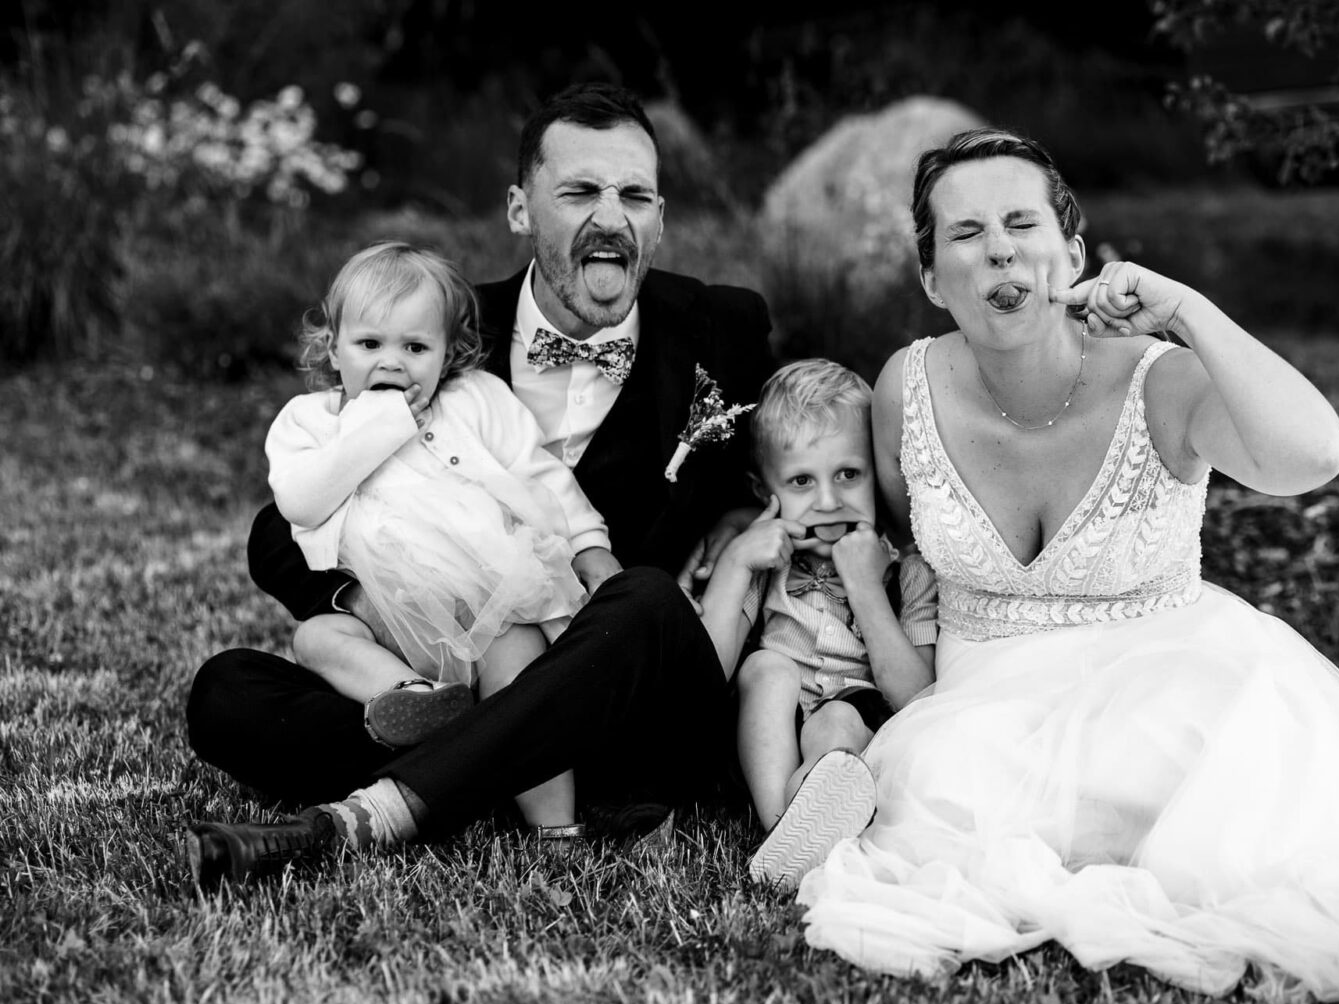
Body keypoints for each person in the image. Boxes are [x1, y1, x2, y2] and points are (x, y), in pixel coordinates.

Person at [794, 128, 1339, 1004]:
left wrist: (1186, 311)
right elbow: (898, 524)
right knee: (949, 786)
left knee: (1222, 796)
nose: (1000, 249)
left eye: (1023, 223)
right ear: (931, 278)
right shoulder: (908, 386)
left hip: (1173, 679)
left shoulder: (1161, 383)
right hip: (985, 707)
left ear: (1074, 249)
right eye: (967, 233)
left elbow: (1314, 455)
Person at [184, 83, 775, 887]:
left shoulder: (723, 329)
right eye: (579, 192)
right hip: (460, 664)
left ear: (661, 219)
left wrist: (739, 514)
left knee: (638, 596)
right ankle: (493, 765)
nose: (612, 217)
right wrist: (369, 604)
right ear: (519, 211)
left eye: (634, 194)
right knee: (227, 690)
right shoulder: (437, 330)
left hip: (628, 681)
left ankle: (376, 814)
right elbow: (277, 529)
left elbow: (777, 475)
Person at [269, 240, 613, 832]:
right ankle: (416, 699)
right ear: (333, 345)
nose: (392, 362)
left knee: (522, 680)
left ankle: (555, 828)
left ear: (448, 352)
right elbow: (300, 499)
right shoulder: (310, 421)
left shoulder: (476, 398)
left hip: (492, 603)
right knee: (318, 637)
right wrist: (380, 422)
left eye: (415, 347)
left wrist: (589, 545)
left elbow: (544, 477)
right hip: (388, 618)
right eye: (369, 344)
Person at [696, 359, 937, 888]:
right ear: (765, 492)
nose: (829, 501)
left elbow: (918, 696)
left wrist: (866, 586)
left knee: (835, 722)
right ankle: (783, 826)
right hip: (764, 741)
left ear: (879, 470)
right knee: (764, 666)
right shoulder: (764, 563)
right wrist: (736, 563)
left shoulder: (911, 569)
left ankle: (816, 805)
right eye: (802, 481)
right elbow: (708, 668)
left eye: (848, 474)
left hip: (862, 737)